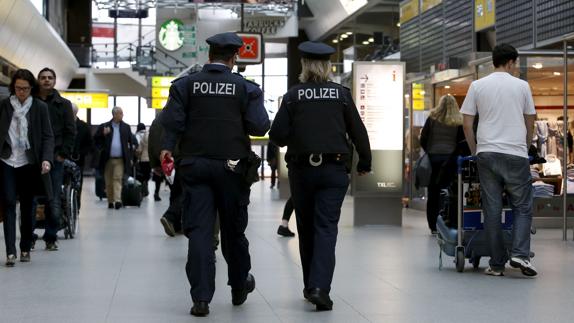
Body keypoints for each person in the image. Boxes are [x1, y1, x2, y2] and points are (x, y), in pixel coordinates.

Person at [159, 32, 270, 317]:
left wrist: (167, 148)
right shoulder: (246, 88)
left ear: (210, 56)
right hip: (232, 169)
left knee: (199, 232)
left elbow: (171, 122)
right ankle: (238, 284)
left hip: (195, 167)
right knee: (233, 230)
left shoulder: (186, 85)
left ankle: (201, 299)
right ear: (234, 57)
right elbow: (259, 126)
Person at [269, 41, 371, 311]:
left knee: (306, 228)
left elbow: (277, 136)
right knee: (326, 227)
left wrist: (300, 133)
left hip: (302, 171)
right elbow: (359, 132)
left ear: (304, 66)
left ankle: (309, 286)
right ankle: (319, 287)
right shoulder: (341, 95)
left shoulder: (293, 96)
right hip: (333, 170)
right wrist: (365, 162)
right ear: (328, 67)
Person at [461, 43, 538, 277]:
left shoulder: (477, 85)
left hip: (487, 153)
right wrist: (524, 146)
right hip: (514, 153)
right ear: (511, 62)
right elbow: (530, 121)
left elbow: (466, 123)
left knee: (492, 209)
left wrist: (476, 150)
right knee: (522, 206)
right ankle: (519, 254)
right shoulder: (522, 86)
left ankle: (496, 264)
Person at [0, 69, 54, 266]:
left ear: (32, 88)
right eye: (17, 88)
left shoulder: (39, 108)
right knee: (7, 203)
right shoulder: (5, 105)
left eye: (25, 89)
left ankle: (24, 247)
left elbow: (48, 136)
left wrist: (46, 159)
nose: (21, 92)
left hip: (29, 163)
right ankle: (10, 252)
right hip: (7, 160)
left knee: (27, 205)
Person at [35, 67, 76, 251]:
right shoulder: (31, 102)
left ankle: (50, 237)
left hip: (55, 157)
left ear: (54, 81)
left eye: (50, 78)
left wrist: (62, 155)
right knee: (31, 198)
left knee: (53, 199)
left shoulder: (64, 104)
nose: (46, 80)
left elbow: (70, 131)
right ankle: (28, 235)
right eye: (43, 78)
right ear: (38, 81)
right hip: (32, 157)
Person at [419, 95, 464, 234]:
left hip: (433, 160)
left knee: (433, 193)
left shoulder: (432, 119)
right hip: (450, 162)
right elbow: (461, 142)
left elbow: (423, 138)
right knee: (450, 192)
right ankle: (447, 221)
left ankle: (433, 226)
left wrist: (430, 152)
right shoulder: (458, 121)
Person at [94, 107, 136, 210]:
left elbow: (132, 142)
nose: (122, 115)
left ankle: (117, 200)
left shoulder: (126, 127)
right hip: (107, 159)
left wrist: (130, 157)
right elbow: (96, 140)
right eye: (120, 113)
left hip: (120, 159)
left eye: (122, 113)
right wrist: (103, 134)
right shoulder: (105, 126)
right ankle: (110, 201)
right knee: (108, 181)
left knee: (117, 179)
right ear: (114, 114)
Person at [71, 103, 93, 209]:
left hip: (78, 160)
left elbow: (89, 144)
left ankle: (76, 206)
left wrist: (81, 153)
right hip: (63, 158)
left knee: (77, 183)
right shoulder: (62, 125)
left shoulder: (84, 127)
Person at [135, 123, 151, 197]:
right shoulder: (150, 134)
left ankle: (142, 190)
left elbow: (139, 149)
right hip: (150, 159)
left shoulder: (137, 135)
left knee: (141, 175)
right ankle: (146, 187)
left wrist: (137, 157)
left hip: (142, 159)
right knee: (147, 175)